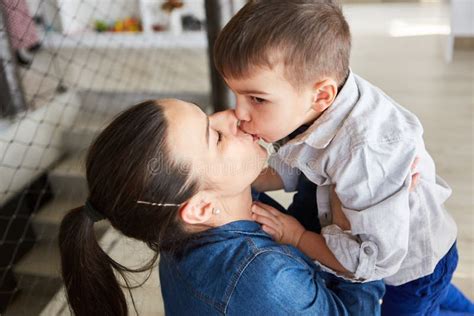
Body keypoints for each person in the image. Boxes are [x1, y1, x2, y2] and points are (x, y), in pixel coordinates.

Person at [212, 1, 474, 315]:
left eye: (256, 99)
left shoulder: (364, 156)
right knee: (442, 294)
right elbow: (297, 159)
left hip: (410, 271)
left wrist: (296, 235)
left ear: (322, 95)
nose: (239, 113)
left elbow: (369, 262)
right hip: (413, 253)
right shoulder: (313, 100)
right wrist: (228, 171)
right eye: (235, 94)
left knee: (427, 297)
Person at [58, 99, 385, 315]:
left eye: (207, 114)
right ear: (200, 208)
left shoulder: (191, 223)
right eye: (214, 137)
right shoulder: (261, 277)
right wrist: (367, 209)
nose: (234, 117)